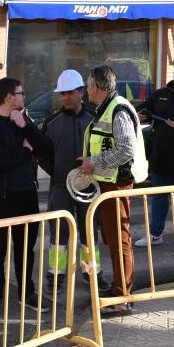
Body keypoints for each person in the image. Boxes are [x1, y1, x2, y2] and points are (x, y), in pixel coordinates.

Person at [0, 77, 53, 316]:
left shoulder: (22, 119)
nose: (23, 96)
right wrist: (25, 150)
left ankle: (26, 293)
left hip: (26, 195)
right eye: (20, 93)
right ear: (9, 97)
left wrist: (25, 127)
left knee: (25, 249)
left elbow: (46, 147)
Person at [79, 66, 148, 314]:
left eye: (88, 86)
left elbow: (126, 149)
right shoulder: (108, 108)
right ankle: (119, 289)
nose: (86, 91)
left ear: (97, 87)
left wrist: (94, 162)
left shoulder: (117, 109)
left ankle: (122, 296)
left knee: (120, 240)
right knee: (113, 238)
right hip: (108, 183)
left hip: (117, 184)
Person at [38, 70, 110, 294]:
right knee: (58, 235)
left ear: (81, 92)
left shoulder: (95, 118)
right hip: (60, 188)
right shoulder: (51, 123)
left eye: (70, 93)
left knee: (89, 232)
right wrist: (59, 173)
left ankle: (91, 273)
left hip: (89, 187)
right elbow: (42, 154)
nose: (65, 97)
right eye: (62, 94)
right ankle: (56, 276)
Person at [134, 71, 174, 250]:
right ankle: (155, 234)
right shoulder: (160, 94)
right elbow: (144, 108)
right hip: (160, 158)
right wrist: (142, 114)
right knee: (159, 198)